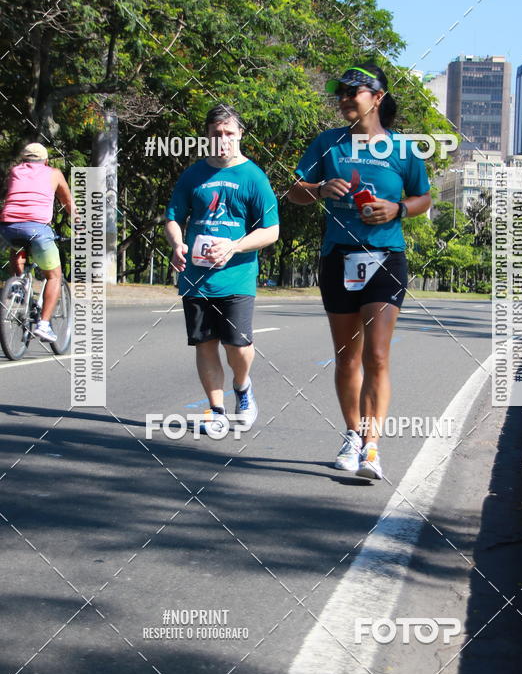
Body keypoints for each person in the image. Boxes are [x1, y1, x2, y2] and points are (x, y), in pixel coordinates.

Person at [288, 63, 431, 480]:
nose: (346, 98)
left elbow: (423, 198)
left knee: (378, 354)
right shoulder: (327, 144)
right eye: (342, 92)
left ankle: (372, 447)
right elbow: (294, 191)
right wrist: (317, 189)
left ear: (378, 97)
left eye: (356, 91)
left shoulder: (404, 149)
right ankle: (351, 435)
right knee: (347, 357)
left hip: (386, 256)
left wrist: (398, 208)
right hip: (338, 256)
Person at [165, 104, 279, 430]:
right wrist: (177, 244)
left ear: (240, 134)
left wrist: (234, 245)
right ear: (207, 135)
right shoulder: (193, 175)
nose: (223, 140)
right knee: (205, 344)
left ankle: (242, 386)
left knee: (238, 346)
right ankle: (216, 412)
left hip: (237, 276)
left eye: (230, 133)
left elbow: (272, 230)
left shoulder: (253, 177)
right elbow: (173, 217)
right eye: (217, 134)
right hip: (196, 277)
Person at [0, 142, 75, 341]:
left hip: (7, 226)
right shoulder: (54, 173)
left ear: (23, 160)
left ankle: (20, 285)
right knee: (54, 277)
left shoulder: (14, 171)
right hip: (37, 228)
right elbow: (68, 202)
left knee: (17, 244)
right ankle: (43, 325)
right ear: (46, 161)